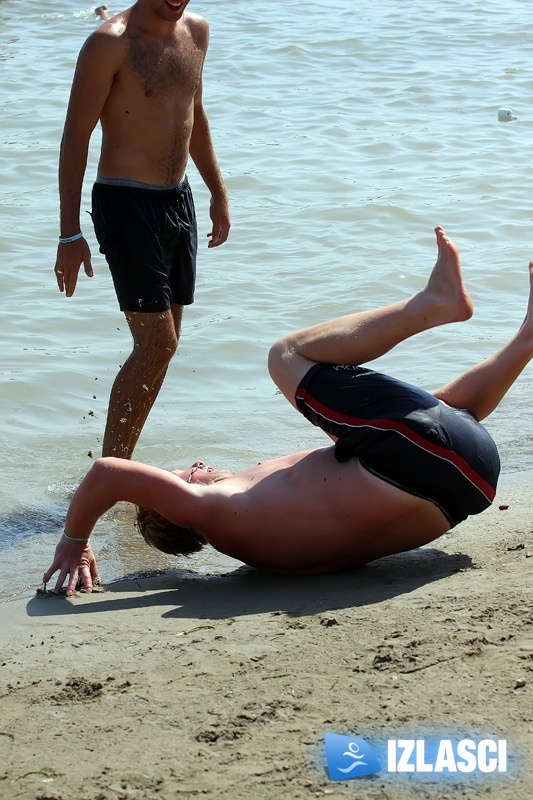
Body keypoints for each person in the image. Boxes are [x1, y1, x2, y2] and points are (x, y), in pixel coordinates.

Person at [43, 227, 533, 596]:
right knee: (285, 357)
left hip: (472, 480)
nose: (195, 466)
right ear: (175, 505)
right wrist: (74, 540)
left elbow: (435, 429)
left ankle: (526, 341)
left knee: (437, 413)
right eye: (183, 474)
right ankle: (431, 306)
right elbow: (108, 474)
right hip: (418, 461)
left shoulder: (263, 552)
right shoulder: (213, 507)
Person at [54, 0, 230, 459]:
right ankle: (110, 471)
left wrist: (217, 192)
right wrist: (69, 233)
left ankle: (118, 464)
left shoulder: (197, 31)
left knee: (164, 347)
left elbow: (195, 110)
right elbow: (76, 135)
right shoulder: (108, 44)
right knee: (157, 342)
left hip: (178, 199)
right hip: (125, 202)